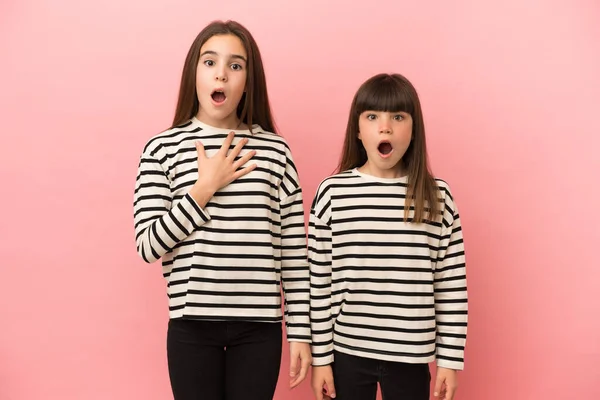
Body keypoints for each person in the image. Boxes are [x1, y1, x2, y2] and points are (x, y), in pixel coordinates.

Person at [132, 20, 311, 400]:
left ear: (248, 80)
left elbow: (294, 255)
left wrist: (301, 335)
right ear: (193, 74)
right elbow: (148, 246)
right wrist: (203, 189)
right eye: (210, 62)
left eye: (236, 65)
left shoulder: (276, 152)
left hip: (259, 328)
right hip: (191, 326)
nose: (222, 74)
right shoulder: (161, 149)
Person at [308, 73, 468, 400]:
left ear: (414, 128)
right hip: (347, 352)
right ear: (357, 129)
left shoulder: (437, 197)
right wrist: (321, 360)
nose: (385, 127)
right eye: (372, 117)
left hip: (411, 355)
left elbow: (451, 286)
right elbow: (318, 283)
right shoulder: (333, 193)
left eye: (397, 117)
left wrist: (449, 362)